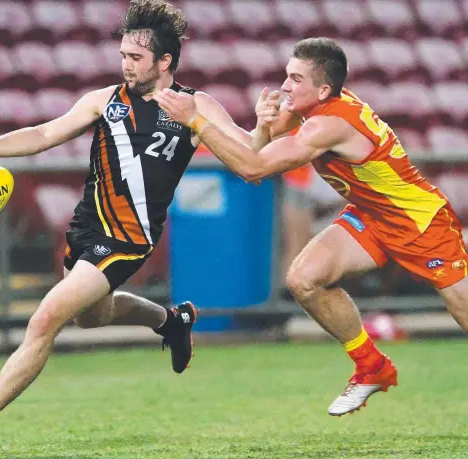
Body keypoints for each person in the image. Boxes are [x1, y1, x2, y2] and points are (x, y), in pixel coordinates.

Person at [0, 0, 283, 452]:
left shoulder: (195, 106)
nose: (125, 65)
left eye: (135, 58)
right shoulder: (105, 100)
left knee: (45, 320)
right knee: (90, 317)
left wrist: (265, 129)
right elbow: (43, 134)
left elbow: (249, 151)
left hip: (127, 239)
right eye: (122, 55)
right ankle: (172, 322)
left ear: (165, 61)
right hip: (85, 232)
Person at [154, 37, 468, 417]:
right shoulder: (309, 106)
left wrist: (197, 121)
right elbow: (257, 148)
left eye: (295, 79)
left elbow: (252, 168)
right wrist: (260, 124)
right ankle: (372, 367)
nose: (285, 86)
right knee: (304, 278)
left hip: (419, 220)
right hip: (371, 215)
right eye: (287, 75)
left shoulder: (327, 126)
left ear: (322, 89)